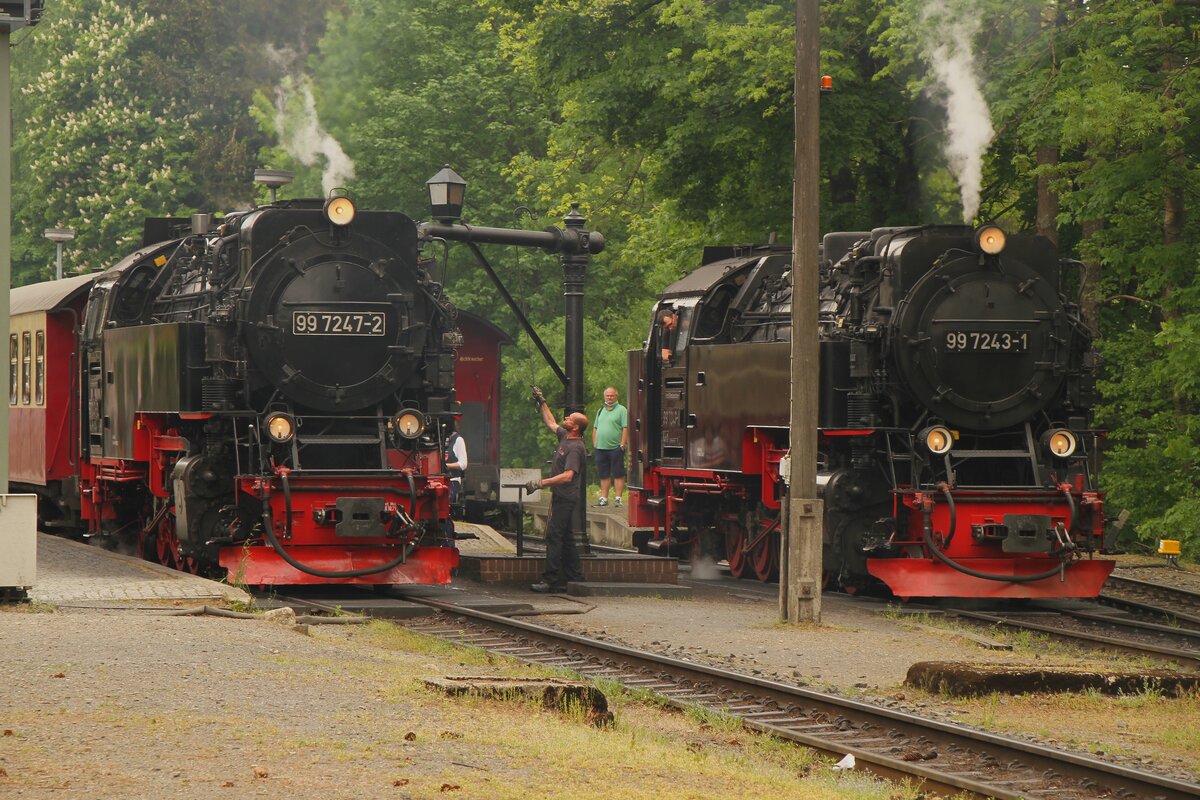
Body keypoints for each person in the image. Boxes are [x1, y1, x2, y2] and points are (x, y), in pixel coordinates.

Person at [525, 387, 587, 593]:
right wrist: (542, 401)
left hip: (565, 498)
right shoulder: (565, 437)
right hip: (562, 497)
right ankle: (575, 577)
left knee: (554, 535)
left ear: (575, 427)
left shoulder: (575, 448)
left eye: (570, 419)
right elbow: (551, 422)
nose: (566, 418)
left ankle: (550, 580)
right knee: (567, 537)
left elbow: (568, 476)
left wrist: (541, 483)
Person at [592, 386, 628, 508]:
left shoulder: (622, 410)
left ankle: (618, 498)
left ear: (616, 396)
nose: (609, 397)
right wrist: (595, 443)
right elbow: (595, 428)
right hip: (600, 448)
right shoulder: (600, 410)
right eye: (607, 395)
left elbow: (625, 427)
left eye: (612, 395)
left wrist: (622, 444)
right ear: (604, 396)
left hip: (615, 447)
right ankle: (604, 498)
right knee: (603, 474)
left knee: (618, 473)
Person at [442, 422, 468, 543]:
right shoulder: (438, 440)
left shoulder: (458, 440)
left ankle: (448, 541)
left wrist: (445, 465)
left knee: (445, 510)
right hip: (435, 480)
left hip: (452, 481)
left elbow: (463, 464)